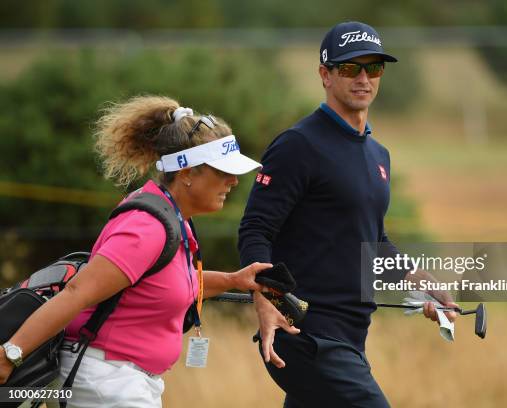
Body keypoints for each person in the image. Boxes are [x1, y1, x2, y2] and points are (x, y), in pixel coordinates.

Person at [239, 22, 458, 407]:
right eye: (349, 68)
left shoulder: (378, 155)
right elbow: (256, 230)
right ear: (325, 75)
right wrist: (267, 298)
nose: (363, 78)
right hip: (306, 337)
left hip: (350, 339)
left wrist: (421, 281)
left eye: (373, 68)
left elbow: (372, 243)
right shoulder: (298, 145)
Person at [0, 95, 269, 407]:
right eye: (223, 171)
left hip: (121, 381)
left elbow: (164, 285)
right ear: (187, 174)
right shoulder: (147, 228)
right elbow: (77, 293)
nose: (234, 182)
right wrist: (11, 355)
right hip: (105, 381)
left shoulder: (171, 215)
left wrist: (234, 280)